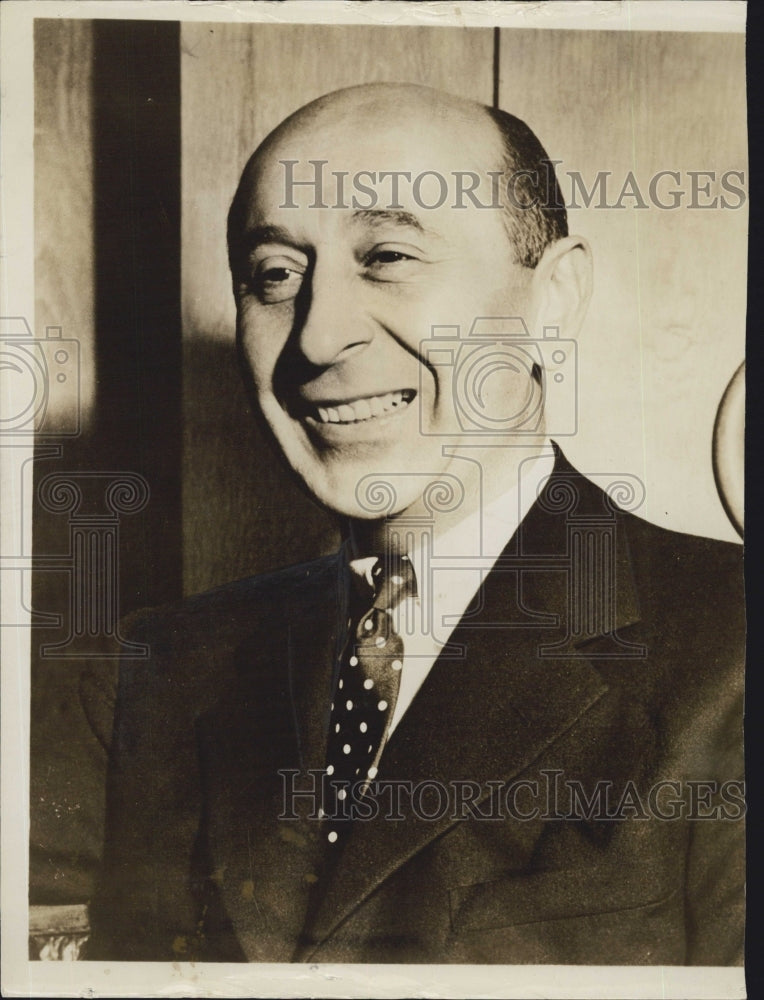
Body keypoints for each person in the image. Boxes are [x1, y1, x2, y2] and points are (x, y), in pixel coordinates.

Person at [88, 83, 745, 964]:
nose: (318, 338)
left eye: (388, 255)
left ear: (554, 299)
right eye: (276, 275)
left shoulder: (734, 646)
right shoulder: (166, 666)